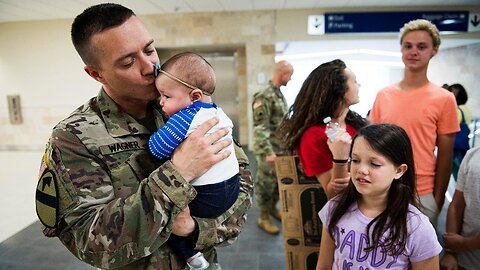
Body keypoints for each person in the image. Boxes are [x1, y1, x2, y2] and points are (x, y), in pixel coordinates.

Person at [34, 3, 253, 270]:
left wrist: (195, 229)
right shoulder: (73, 137)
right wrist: (177, 174)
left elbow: (242, 186)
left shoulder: (185, 108)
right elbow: (88, 241)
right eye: (128, 62)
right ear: (96, 74)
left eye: (149, 49)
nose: (150, 66)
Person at [148, 52, 240, 269]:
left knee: (166, 219)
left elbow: (156, 148)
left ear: (195, 97)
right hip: (232, 188)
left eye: (166, 96)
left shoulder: (184, 118)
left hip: (207, 195)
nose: (160, 102)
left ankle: (190, 256)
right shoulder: (218, 112)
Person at [369, 19, 459, 227]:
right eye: (408, 46)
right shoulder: (384, 95)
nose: (413, 52)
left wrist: (437, 200)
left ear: (434, 51)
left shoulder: (444, 99)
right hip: (384, 189)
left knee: (420, 258)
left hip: (422, 193)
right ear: (401, 49)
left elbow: (446, 155)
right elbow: (372, 146)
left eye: (422, 46)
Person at [316, 124, 442, 270]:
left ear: (399, 171)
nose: (361, 170)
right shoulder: (335, 208)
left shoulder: (416, 227)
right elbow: (324, 265)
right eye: (355, 160)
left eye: (374, 164)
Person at [280, 59, 366, 199]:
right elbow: (333, 194)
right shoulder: (313, 136)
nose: (359, 85)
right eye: (355, 81)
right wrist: (340, 158)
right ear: (340, 90)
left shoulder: (355, 124)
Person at [251, 60, 294, 234]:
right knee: (266, 184)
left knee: (276, 183)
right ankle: (263, 217)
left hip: (279, 148)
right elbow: (261, 127)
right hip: (268, 150)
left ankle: (272, 209)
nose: (290, 79)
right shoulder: (264, 96)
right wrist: (268, 152)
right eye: (290, 75)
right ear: (283, 73)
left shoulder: (278, 94)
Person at [440, 147, 480, 270]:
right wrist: (451, 253)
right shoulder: (472, 155)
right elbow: (456, 206)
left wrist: (465, 244)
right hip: (464, 260)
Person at [446, 83, 472, 181]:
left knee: (458, 177)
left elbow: (450, 127)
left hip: (455, 148)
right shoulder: (466, 109)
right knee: (460, 176)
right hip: (462, 146)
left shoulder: (456, 110)